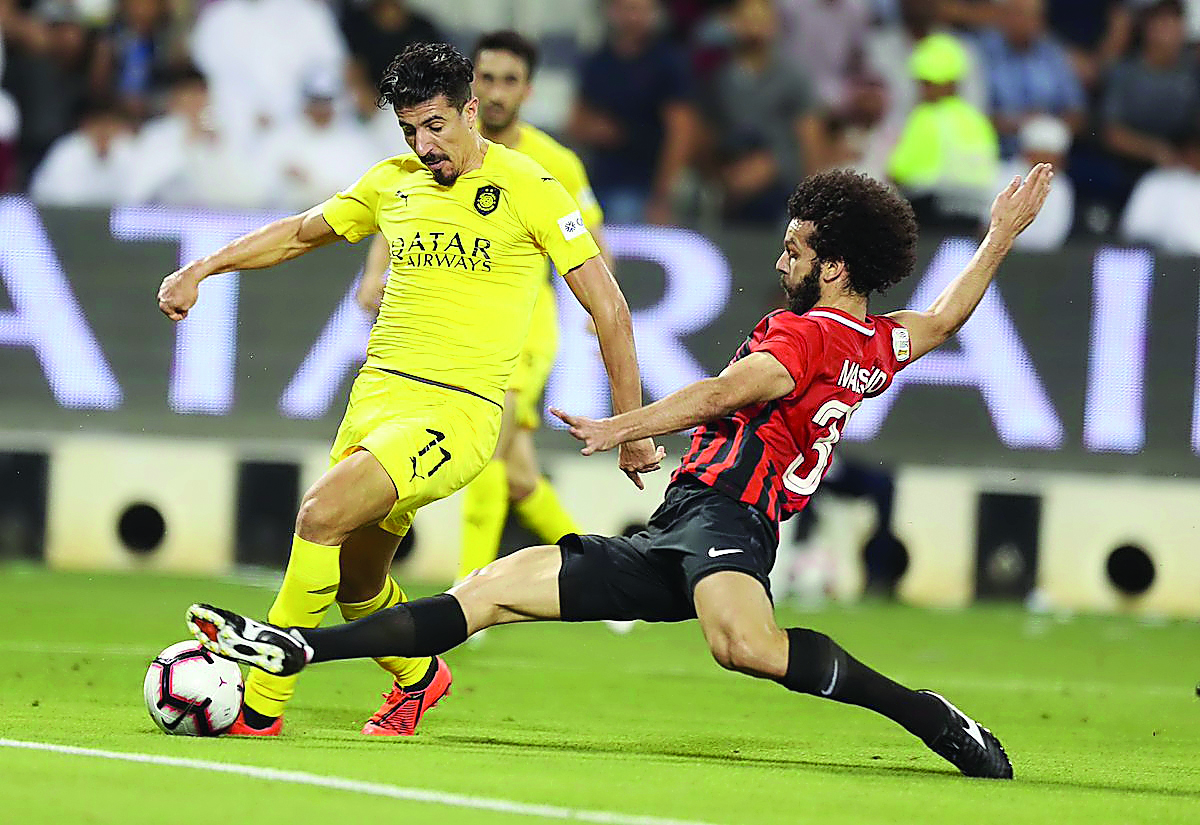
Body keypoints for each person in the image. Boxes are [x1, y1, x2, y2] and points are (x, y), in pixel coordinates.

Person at [187, 163, 1055, 777]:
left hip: (727, 522)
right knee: (488, 589)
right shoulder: (873, 341)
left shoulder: (804, 334)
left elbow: (726, 391)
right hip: (679, 523)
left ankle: (928, 713)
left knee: (743, 647)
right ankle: (298, 645)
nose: (780, 260)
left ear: (834, 264)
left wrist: (622, 424)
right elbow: (942, 318)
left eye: (794, 249)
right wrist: (999, 236)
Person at [160, 42, 662, 738]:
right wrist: (204, 268)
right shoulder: (392, 182)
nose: (424, 145)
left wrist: (632, 426)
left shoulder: (532, 186)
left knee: (319, 514)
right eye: (409, 131)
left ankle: (259, 706)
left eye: (435, 126)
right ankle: (422, 676)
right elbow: (299, 234)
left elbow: (609, 306)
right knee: (358, 584)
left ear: (470, 111)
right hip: (375, 399)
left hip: (455, 412)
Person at [354, 32, 619, 609]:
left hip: (522, 330)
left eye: (509, 81)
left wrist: (602, 323)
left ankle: (465, 597)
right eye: (488, 78)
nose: (497, 93)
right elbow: (399, 211)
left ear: (527, 89)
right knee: (520, 478)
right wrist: (376, 273)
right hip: (453, 328)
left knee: (494, 453)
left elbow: (595, 246)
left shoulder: (553, 164)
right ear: (470, 90)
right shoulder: (431, 152)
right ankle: (608, 579)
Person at [569, 0, 698, 224]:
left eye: (641, 10)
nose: (633, 17)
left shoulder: (669, 62)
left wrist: (662, 196)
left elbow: (681, 132)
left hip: (644, 182)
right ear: (611, 11)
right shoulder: (598, 61)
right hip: (597, 179)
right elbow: (575, 124)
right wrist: (596, 130)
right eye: (627, 9)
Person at [887, 33, 999, 228]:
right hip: (973, 217)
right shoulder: (978, 121)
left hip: (930, 216)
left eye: (927, 83)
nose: (923, 90)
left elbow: (898, 172)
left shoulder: (926, 116)